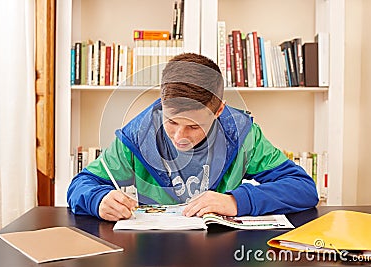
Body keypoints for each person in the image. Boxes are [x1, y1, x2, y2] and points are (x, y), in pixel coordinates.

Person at [67, 53, 319, 221]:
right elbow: (81, 184)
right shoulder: (137, 135)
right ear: (162, 105)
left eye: (194, 127)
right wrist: (97, 199)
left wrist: (236, 201)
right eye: (172, 122)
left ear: (219, 111)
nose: (180, 137)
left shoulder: (241, 134)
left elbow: (304, 189)